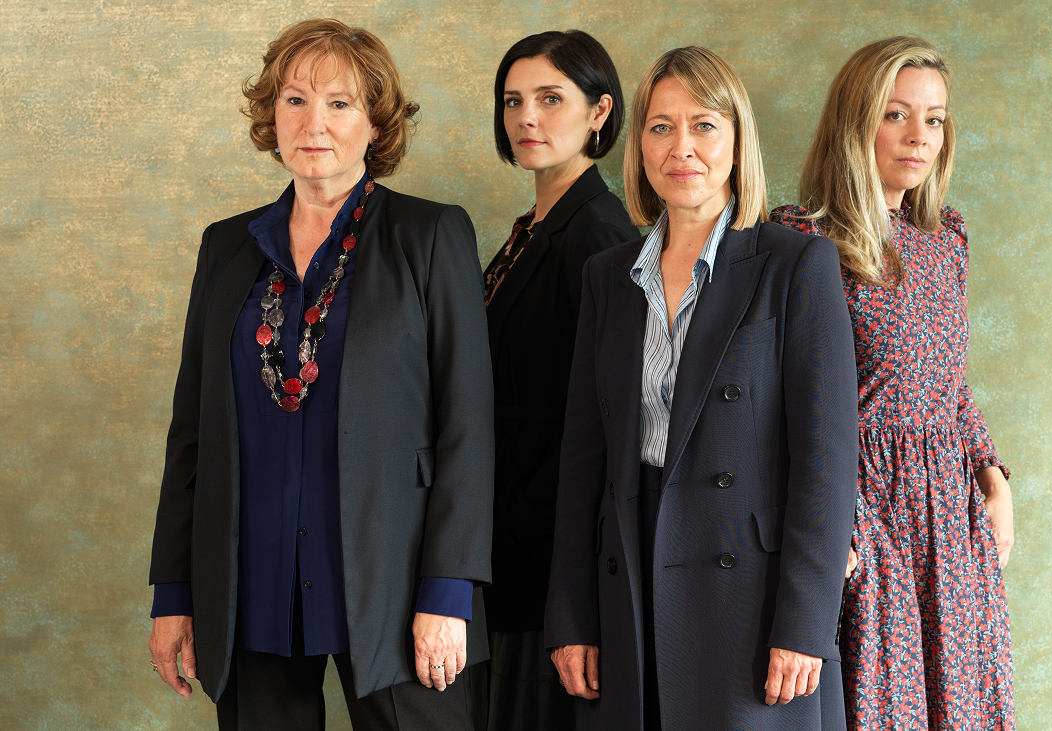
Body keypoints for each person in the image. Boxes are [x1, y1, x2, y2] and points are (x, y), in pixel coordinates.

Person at [146, 19, 494, 730]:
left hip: (396, 583)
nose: (314, 122)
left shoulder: (430, 236)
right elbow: (193, 435)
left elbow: (468, 424)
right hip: (250, 582)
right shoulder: (225, 247)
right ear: (271, 116)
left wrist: (449, 590)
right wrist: (174, 592)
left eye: (340, 103)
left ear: (376, 122)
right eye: (295, 99)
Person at [544, 46, 860, 731]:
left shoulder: (795, 263)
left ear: (737, 139)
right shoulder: (608, 276)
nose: (681, 146)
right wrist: (569, 616)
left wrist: (805, 622)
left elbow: (827, 463)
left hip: (750, 597)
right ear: (638, 146)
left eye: (704, 125)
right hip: (627, 578)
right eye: (661, 127)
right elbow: (581, 462)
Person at [770, 36, 1015, 730]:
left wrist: (995, 476)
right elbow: (790, 403)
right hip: (861, 507)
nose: (919, 137)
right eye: (896, 114)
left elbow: (952, 382)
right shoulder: (801, 240)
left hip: (952, 513)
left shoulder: (947, 238)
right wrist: (837, 524)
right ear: (855, 122)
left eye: (934, 119)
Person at [473, 30, 638, 731]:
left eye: (550, 98)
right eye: (513, 101)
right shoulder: (533, 228)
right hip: (506, 541)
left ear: (599, 112)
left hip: (546, 549)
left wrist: (521, 517)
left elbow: (607, 417)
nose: (526, 118)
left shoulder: (599, 237)